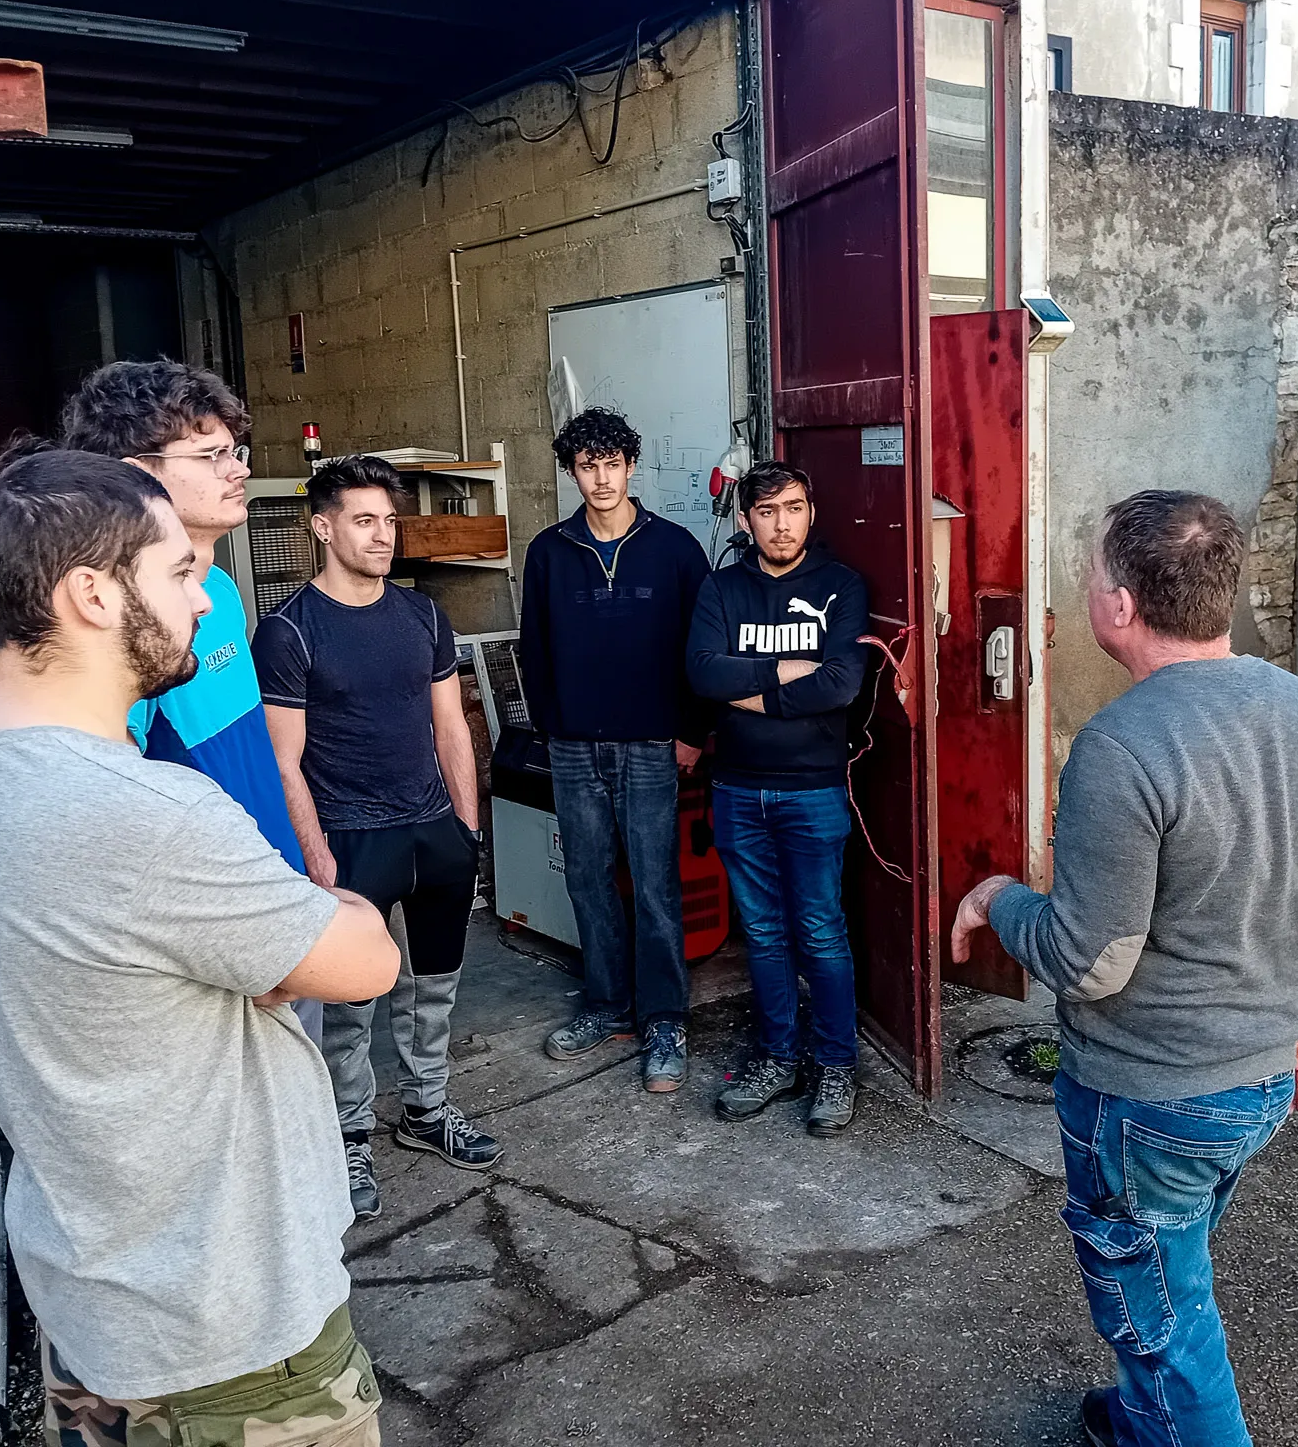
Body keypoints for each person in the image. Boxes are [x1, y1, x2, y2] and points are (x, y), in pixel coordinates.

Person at [0, 449, 399, 1446]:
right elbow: (366, 962)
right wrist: (302, 921)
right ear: (92, 594)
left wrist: (254, 944)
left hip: (102, 1306)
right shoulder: (149, 813)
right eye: (180, 570)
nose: (205, 597)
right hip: (233, 1340)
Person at [950, 490, 1298, 1447]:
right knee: (1167, 1272)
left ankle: (1173, 1415)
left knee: (1167, 1326)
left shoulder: (1121, 748)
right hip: (1263, 1081)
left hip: (1151, 1097)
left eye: (1093, 572)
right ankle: (1147, 1422)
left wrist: (998, 899)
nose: (1087, 588)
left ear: (1121, 605)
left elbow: (1089, 960)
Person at [0, 363, 321, 1046]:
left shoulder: (217, 593)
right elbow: (105, 825)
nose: (239, 469)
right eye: (211, 454)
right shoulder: (127, 638)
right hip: (215, 944)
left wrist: (304, 861)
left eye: (235, 450)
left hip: (274, 902)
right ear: (139, 475)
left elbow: (255, 758)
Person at [254, 453, 499, 1221]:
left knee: (435, 986)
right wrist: (317, 857)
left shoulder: (422, 616)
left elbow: (451, 725)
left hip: (432, 832)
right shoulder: (289, 631)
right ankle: (349, 1135)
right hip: (350, 841)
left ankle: (426, 1109)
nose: (383, 535)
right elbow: (283, 761)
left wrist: (466, 826)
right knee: (352, 1001)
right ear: (323, 528)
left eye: (389, 521)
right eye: (364, 521)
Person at [520, 407, 713, 1093]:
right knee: (587, 878)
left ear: (631, 467)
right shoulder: (549, 551)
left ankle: (664, 1019)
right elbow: (534, 649)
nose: (600, 478)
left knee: (655, 883)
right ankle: (607, 1006)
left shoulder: (675, 549)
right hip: (574, 746)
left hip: (653, 744)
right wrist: (552, 728)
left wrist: (691, 732)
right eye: (586, 466)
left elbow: (703, 647)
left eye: (611, 464)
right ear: (572, 473)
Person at [685, 461, 868, 1135]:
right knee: (762, 932)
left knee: (820, 929)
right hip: (737, 788)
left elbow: (841, 683)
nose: (782, 524)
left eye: (793, 508)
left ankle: (836, 1064)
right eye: (766, 512)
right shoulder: (722, 588)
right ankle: (777, 1057)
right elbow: (703, 674)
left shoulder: (841, 586)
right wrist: (787, 672)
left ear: (810, 512)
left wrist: (752, 693)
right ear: (746, 520)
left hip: (813, 791)